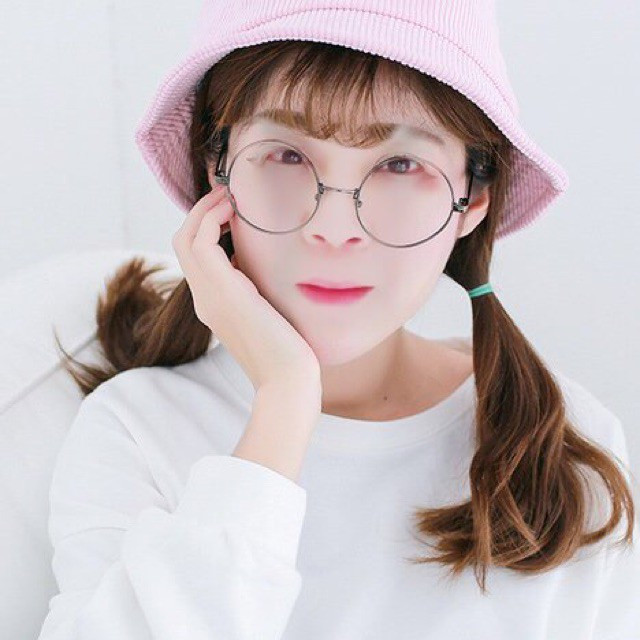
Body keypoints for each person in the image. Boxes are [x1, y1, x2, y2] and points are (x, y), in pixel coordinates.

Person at [41, 1, 639, 638]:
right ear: (217, 173)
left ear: (474, 200)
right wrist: (285, 399)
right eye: (286, 156)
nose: (333, 227)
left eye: (401, 165)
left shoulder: (566, 444)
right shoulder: (138, 428)